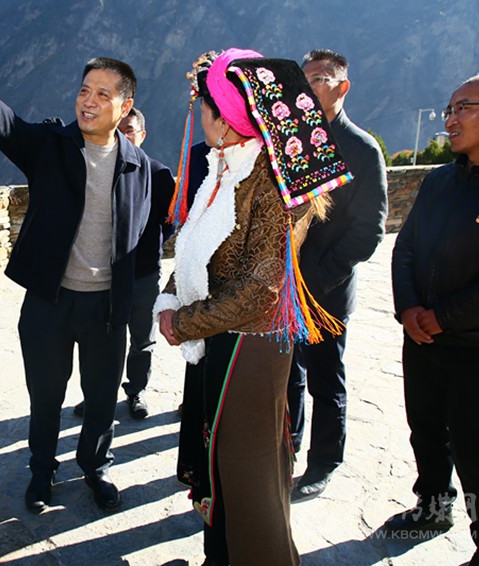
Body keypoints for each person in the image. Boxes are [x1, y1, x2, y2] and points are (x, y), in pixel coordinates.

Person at [155, 49, 349, 565]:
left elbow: (261, 289)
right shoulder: (227, 167)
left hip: (249, 350)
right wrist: (173, 296)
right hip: (218, 339)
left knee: (247, 478)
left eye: (206, 107)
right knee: (217, 470)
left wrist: (181, 321)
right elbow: (195, 246)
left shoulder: (269, 182)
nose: (200, 117)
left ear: (226, 119)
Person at [0, 57, 151, 513]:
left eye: (103, 94)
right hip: (50, 302)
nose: (88, 102)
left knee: (101, 399)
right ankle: (41, 470)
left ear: (126, 104)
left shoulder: (138, 166)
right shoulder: (52, 145)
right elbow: (11, 130)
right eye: (84, 90)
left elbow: (139, 240)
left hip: (106, 308)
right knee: (46, 395)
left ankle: (95, 466)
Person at [388, 72, 479, 566]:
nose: (450, 120)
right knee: (425, 432)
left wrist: (442, 317)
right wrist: (409, 309)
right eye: (449, 109)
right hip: (423, 338)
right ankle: (433, 508)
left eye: (464, 108)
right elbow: (406, 248)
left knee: (476, 451)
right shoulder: (439, 180)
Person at [287, 49, 389, 501]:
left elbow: (368, 231)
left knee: (326, 381)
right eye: (303, 79)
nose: (307, 88)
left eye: (318, 79)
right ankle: (285, 446)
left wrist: (316, 278)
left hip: (325, 292)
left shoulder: (362, 150)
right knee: (286, 376)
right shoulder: (289, 142)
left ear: (342, 87)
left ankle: (323, 463)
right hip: (281, 287)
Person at [73, 107, 175, 420]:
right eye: (119, 129)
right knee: (99, 338)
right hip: (105, 274)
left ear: (142, 135)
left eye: (130, 130)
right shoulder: (97, 170)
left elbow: (168, 223)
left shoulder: (159, 175)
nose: (124, 136)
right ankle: (96, 394)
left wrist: (146, 247)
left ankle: (136, 391)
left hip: (143, 273)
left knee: (142, 338)